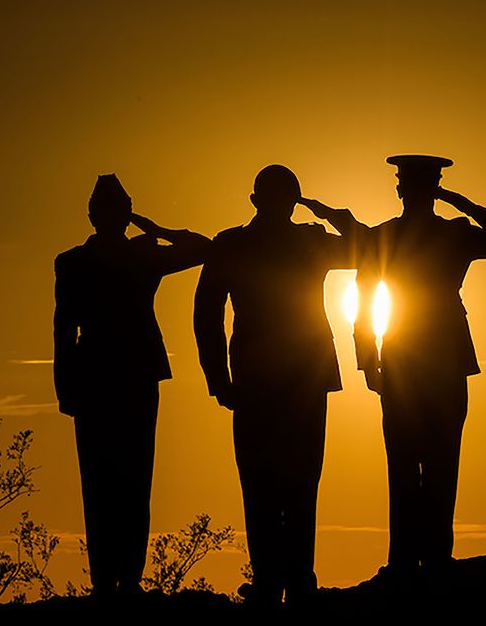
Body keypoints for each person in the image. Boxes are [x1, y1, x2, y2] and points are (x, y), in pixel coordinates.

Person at [317, 154, 486, 584]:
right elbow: (362, 300)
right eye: (417, 186)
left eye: (418, 185)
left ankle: (424, 559)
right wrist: (366, 358)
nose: (411, 192)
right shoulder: (424, 235)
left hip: (424, 355)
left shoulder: (424, 235)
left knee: (431, 458)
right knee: (420, 458)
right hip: (412, 354)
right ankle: (414, 559)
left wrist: (367, 358)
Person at [193, 165, 356, 607]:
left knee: (268, 481)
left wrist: (218, 378)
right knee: (296, 480)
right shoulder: (303, 240)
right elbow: (368, 247)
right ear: (292, 201)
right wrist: (331, 214)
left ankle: (278, 578)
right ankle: (292, 578)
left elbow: (206, 315)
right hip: (283, 378)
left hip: (265, 378)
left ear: (254, 199)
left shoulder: (236, 244)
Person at [53, 174, 211, 597]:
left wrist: (150, 232)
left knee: (123, 476)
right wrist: (153, 229)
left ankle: (121, 580)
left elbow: (203, 250)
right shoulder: (102, 259)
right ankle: (114, 580)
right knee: (117, 477)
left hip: (120, 376)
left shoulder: (111, 259)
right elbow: (63, 329)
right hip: (111, 377)